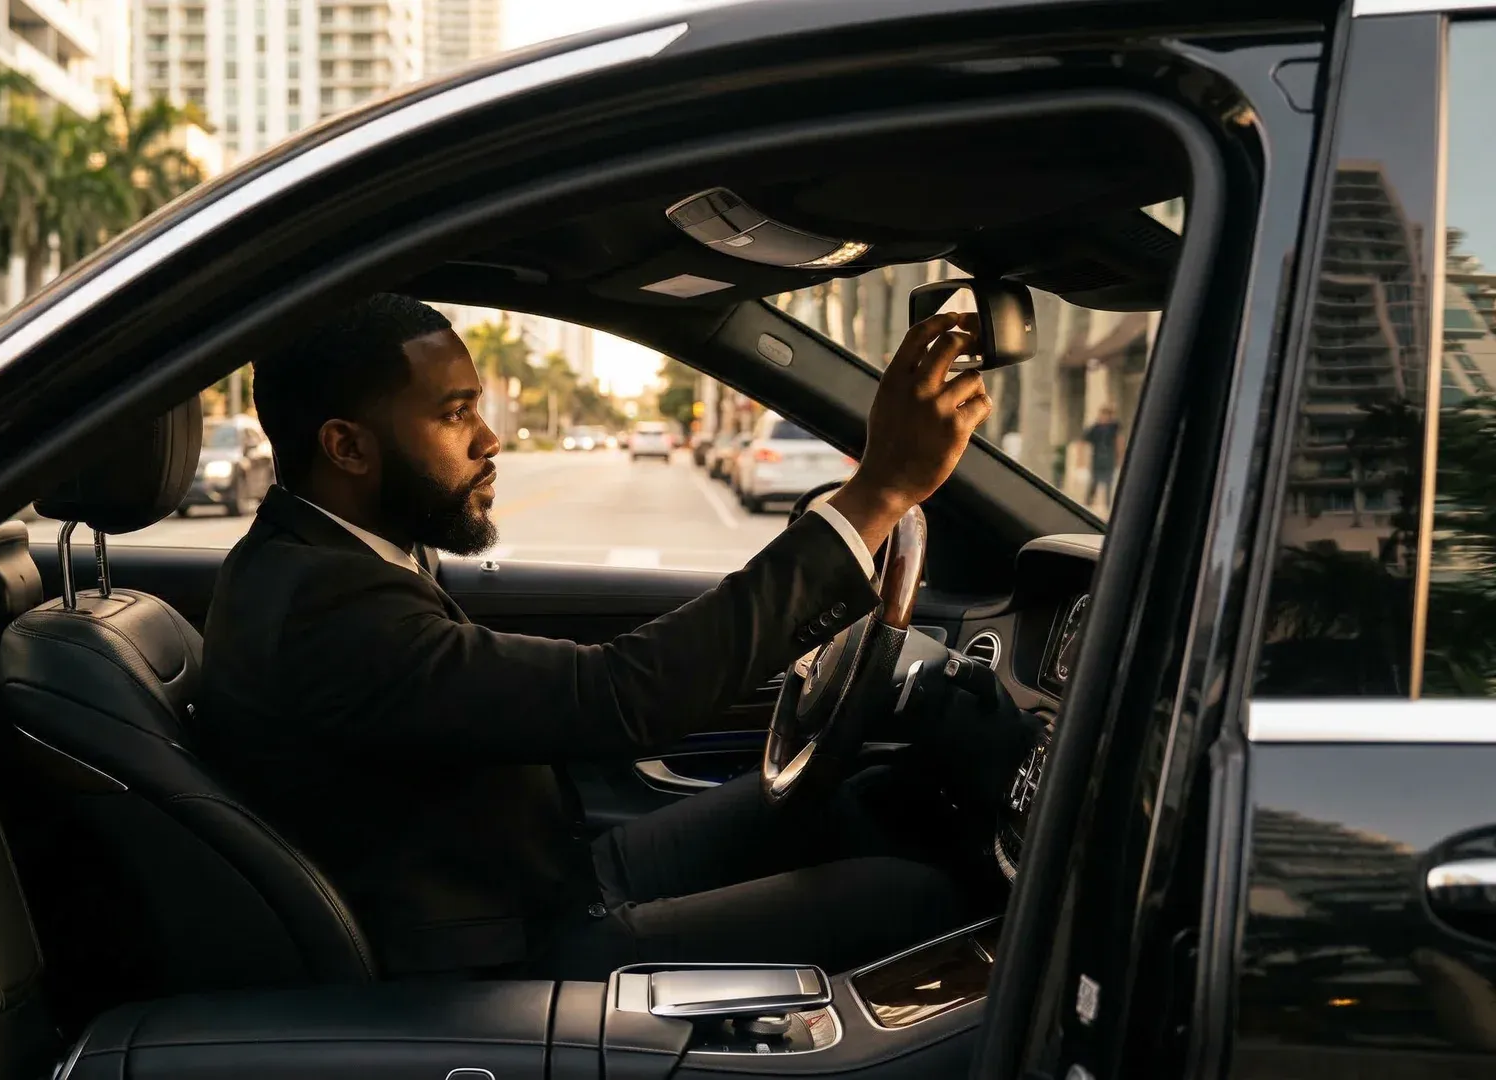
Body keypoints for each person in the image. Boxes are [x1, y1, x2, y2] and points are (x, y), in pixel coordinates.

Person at [200, 294, 995, 981]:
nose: (489, 438)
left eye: (478, 405)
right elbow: (620, 694)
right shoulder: (319, 603)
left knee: (857, 800)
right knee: (912, 899)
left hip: (540, 873)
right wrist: (879, 494)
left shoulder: (333, 552)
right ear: (347, 447)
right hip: (507, 948)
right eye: (453, 414)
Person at [1082, 404, 1121, 513]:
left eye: (1107, 415)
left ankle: (1109, 506)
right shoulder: (1095, 428)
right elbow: (1086, 439)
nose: (1105, 417)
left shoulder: (1113, 427)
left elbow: (1118, 441)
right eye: (1103, 415)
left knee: (1108, 482)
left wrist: (1119, 457)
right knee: (1094, 482)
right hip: (1097, 459)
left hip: (1109, 458)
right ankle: (1088, 503)